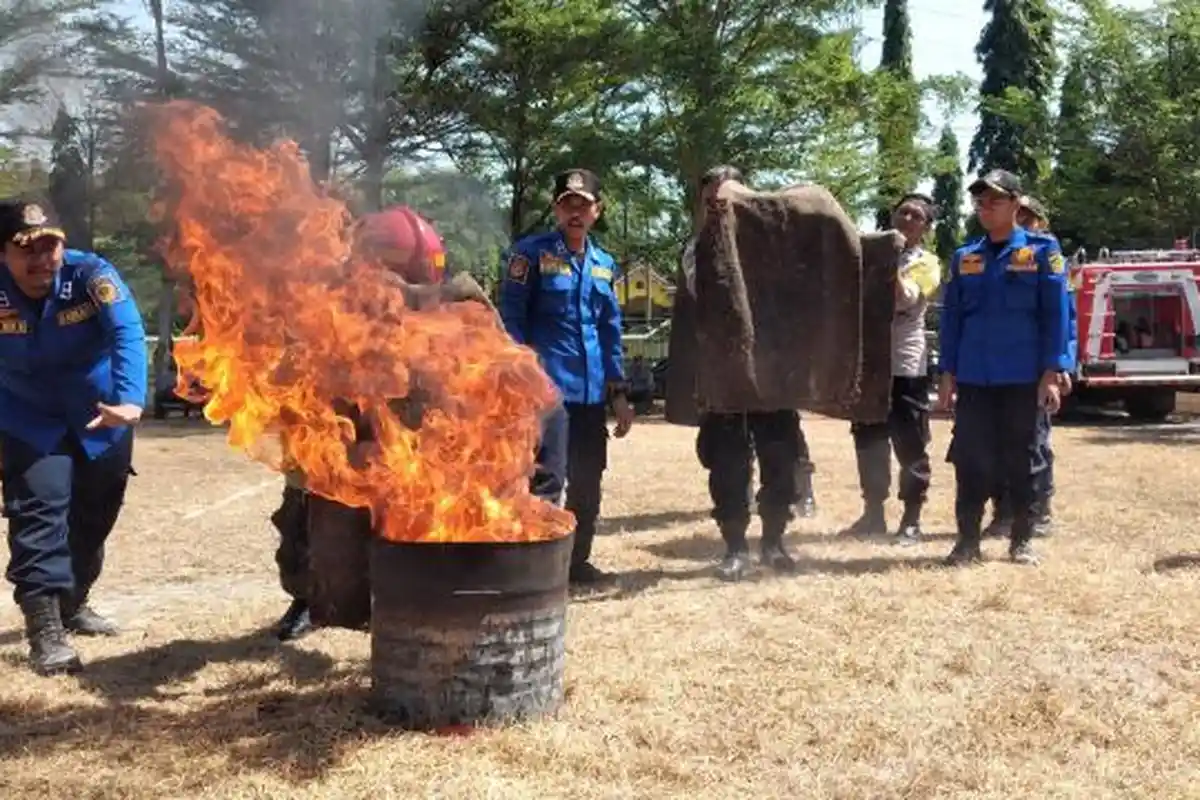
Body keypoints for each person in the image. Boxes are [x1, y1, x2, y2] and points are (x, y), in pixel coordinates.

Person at [271, 204, 451, 641]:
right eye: (396, 280)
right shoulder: (329, 302)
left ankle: (403, 596)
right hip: (335, 418)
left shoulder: (437, 305)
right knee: (308, 503)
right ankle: (308, 599)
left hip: (399, 423)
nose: (401, 293)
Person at [0, 200, 146, 675]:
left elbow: (126, 330)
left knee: (94, 517)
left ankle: (74, 603)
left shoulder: (91, 275)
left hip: (100, 417)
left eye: (51, 245)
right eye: (28, 249)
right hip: (28, 420)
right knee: (39, 517)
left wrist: (130, 401)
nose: (43, 258)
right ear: (3, 254)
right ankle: (46, 633)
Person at [499, 169, 634, 586]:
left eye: (584, 204)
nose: (575, 212)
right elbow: (512, 321)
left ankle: (577, 563)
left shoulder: (603, 264)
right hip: (547, 393)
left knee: (589, 482)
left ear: (598, 211)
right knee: (546, 480)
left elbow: (610, 330)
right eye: (567, 203)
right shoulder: (529, 255)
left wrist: (619, 393)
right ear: (556, 208)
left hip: (591, 396)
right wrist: (522, 377)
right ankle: (536, 570)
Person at [937, 170, 1070, 567]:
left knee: (1023, 458)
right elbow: (952, 320)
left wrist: (1052, 370)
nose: (985, 207)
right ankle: (966, 542)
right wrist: (948, 373)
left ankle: (1022, 540)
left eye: (995, 199)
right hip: (976, 376)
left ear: (1016, 203)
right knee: (970, 458)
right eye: (980, 201)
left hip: (1023, 376)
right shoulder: (965, 257)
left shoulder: (1044, 251)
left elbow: (1057, 315)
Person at [686, 165, 806, 581]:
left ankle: (773, 542)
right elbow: (710, 296)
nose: (721, 203)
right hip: (726, 376)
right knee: (728, 465)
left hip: (774, 375)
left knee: (780, 459)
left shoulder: (776, 246)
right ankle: (735, 548)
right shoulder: (697, 249)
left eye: (729, 195)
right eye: (713, 198)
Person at [842, 192, 940, 544]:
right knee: (868, 440)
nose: (907, 219)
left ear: (927, 228)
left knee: (910, 443)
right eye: (903, 212)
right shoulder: (868, 254)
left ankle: (912, 518)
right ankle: (873, 514)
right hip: (868, 363)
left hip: (904, 365)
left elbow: (904, 299)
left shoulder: (927, 263)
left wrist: (889, 262)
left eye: (916, 216)